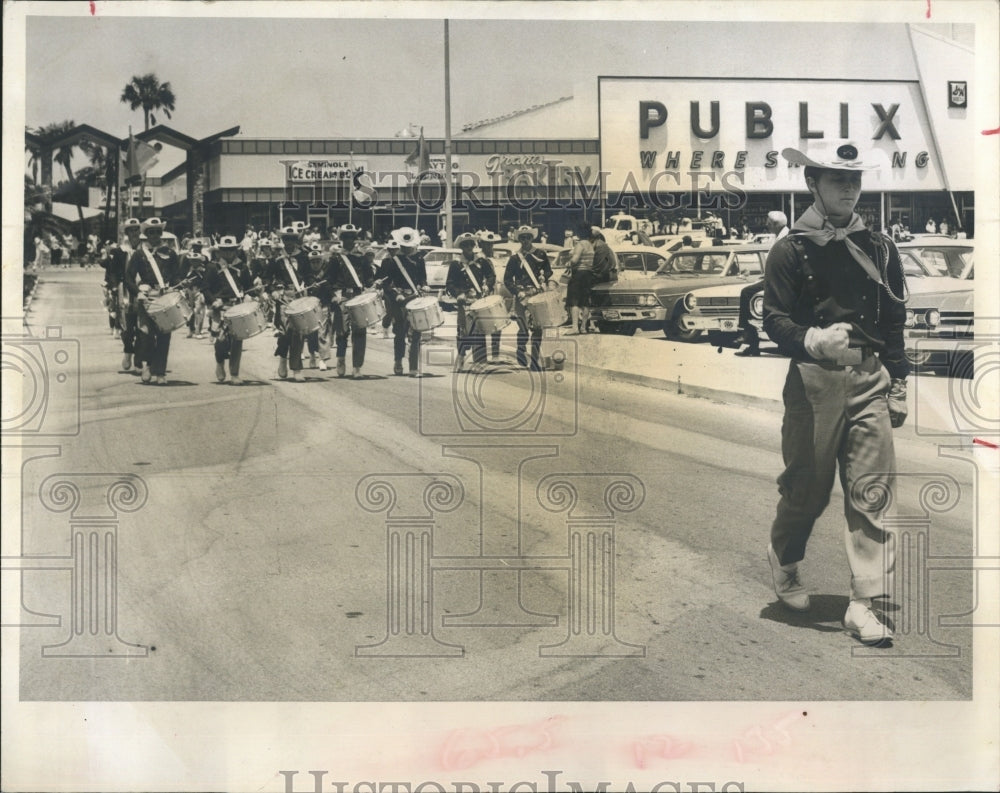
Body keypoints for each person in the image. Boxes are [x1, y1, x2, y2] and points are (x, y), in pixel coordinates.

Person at [762, 142, 909, 646]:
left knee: (872, 492)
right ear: (812, 184)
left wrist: (899, 381)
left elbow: (894, 320)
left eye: (855, 180)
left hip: (870, 378)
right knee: (808, 490)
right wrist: (811, 339)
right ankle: (785, 558)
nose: (849, 188)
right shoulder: (789, 249)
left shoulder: (881, 248)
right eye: (837, 179)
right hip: (813, 382)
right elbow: (773, 320)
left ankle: (862, 603)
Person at [128, 218, 187, 385]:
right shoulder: (139, 255)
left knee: (164, 335)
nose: (155, 235)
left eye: (157, 232)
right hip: (147, 298)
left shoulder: (171, 253)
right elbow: (128, 277)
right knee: (146, 335)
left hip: (165, 297)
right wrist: (138, 292)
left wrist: (179, 286)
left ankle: (160, 372)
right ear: (146, 234)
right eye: (151, 232)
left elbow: (176, 276)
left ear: (161, 234)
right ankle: (147, 364)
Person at [735, 210, 788, 357]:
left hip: (778, 281)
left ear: (775, 224)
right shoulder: (782, 236)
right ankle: (750, 339)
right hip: (774, 278)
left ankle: (747, 333)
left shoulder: (784, 239)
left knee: (746, 293)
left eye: (768, 223)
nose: (766, 225)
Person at [503, 225, 555, 370]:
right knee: (524, 328)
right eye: (522, 238)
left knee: (537, 329)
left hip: (537, 294)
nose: (525, 240)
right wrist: (516, 291)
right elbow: (507, 279)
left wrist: (544, 277)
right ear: (519, 240)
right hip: (522, 295)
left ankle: (534, 361)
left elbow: (548, 270)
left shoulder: (540, 254)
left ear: (532, 238)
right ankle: (520, 349)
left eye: (528, 237)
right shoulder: (514, 258)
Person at [379, 227, 429, 377]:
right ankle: (398, 361)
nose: (406, 248)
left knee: (416, 333)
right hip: (399, 300)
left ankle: (413, 367)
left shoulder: (419, 259)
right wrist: (396, 294)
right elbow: (387, 283)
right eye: (404, 245)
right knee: (400, 333)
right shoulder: (393, 260)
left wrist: (424, 285)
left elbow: (423, 278)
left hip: (415, 298)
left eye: (409, 245)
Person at [329, 224, 376, 378]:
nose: (349, 240)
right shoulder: (335, 258)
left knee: (360, 331)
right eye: (346, 237)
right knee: (342, 332)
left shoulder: (361, 258)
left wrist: (374, 284)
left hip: (358, 296)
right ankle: (341, 359)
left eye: (351, 237)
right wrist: (333, 296)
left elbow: (368, 279)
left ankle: (357, 367)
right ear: (341, 239)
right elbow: (329, 280)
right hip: (342, 296)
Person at [265, 225, 312, 381]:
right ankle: (283, 358)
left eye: (292, 239)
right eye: (286, 239)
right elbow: (267, 279)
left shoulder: (303, 257)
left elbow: (309, 276)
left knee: (299, 332)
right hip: (284, 296)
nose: (289, 242)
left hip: (300, 296)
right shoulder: (276, 258)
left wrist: (311, 286)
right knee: (285, 332)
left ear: (296, 240)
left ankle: (297, 368)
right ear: (282, 240)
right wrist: (272, 290)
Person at [446, 232, 494, 371]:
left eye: (471, 244)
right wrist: (458, 294)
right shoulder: (456, 264)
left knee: (480, 331)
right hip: (464, 302)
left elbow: (491, 276)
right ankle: (461, 357)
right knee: (463, 331)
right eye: (465, 245)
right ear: (461, 247)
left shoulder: (481, 261)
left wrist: (488, 285)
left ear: (474, 246)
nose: (468, 247)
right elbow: (450, 284)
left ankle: (479, 362)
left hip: (478, 300)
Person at [476, 231, 506, 362]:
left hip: (494, 293)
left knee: (497, 325)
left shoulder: (495, 258)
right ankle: (482, 355)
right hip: (482, 294)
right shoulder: (478, 258)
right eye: (486, 244)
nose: (489, 246)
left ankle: (495, 354)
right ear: (481, 244)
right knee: (482, 325)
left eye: (491, 244)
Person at [565, 222, 595, 334]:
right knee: (585, 302)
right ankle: (583, 327)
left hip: (579, 274)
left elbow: (575, 260)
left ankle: (574, 328)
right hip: (588, 274)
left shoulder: (580, 244)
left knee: (575, 302)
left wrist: (568, 262)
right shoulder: (590, 245)